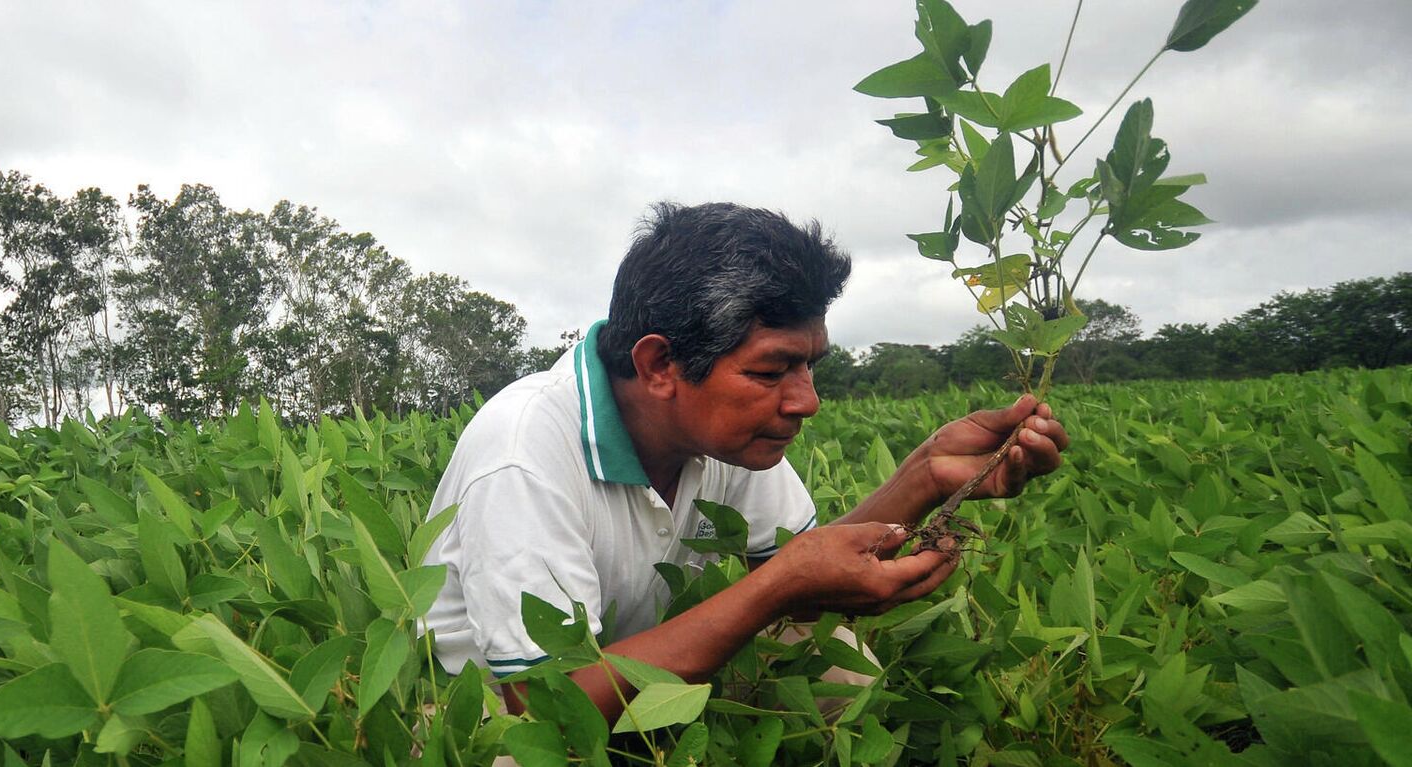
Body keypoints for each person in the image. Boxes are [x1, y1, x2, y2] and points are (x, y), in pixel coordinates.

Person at [419, 202, 1069, 722]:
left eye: (810, 363)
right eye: (770, 369)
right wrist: (778, 585)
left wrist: (926, 473)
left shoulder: (721, 434)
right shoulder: (524, 452)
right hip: (502, 716)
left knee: (836, 667)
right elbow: (549, 704)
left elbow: (807, 569)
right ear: (658, 365)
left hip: (655, 678)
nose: (807, 400)